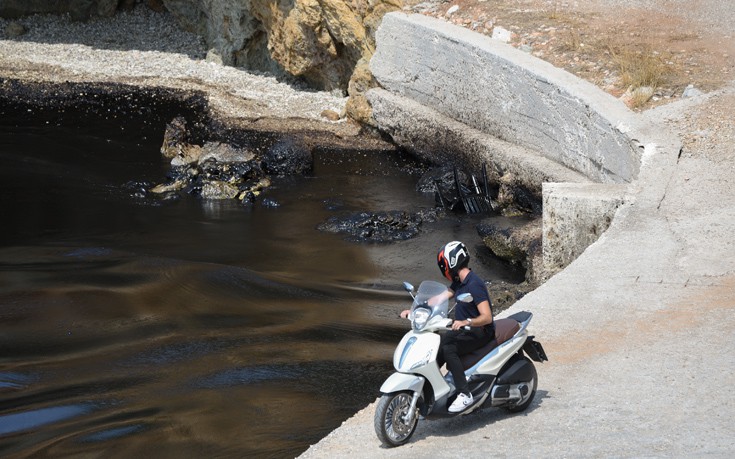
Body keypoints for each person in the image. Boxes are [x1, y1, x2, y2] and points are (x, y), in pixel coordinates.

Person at [400, 240, 495, 413]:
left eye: (443, 264)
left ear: (451, 262)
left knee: (449, 348)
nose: (443, 269)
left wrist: (468, 322)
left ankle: (465, 394)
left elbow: (487, 317)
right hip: (463, 329)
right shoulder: (460, 282)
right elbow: (440, 298)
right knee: (437, 346)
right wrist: (416, 309)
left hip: (480, 331)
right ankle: (433, 391)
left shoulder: (475, 284)